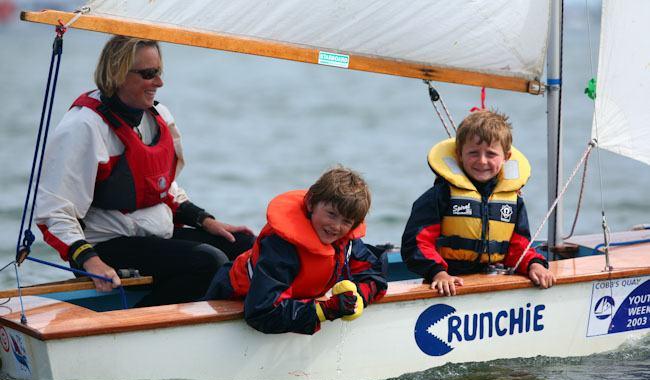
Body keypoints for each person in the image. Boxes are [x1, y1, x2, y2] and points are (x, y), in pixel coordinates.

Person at [35, 36, 254, 307]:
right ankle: (134, 324)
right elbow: (54, 211)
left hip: (152, 236)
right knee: (209, 263)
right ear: (117, 73)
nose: (159, 83)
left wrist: (205, 220)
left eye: (159, 72)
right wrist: (90, 261)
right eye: (149, 74)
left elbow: (163, 187)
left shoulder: (159, 117)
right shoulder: (83, 128)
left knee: (245, 246)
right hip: (108, 245)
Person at [204, 166, 387, 334]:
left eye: (346, 221)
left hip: (291, 303)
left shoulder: (345, 242)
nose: (336, 227)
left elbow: (374, 277)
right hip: (229, 297)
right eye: (331, 214)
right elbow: (261, 312)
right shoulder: (281, 247)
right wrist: (324, 310)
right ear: (311, 204)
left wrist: (357, 299)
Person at [401, 110, 555, 296]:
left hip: (493, 285)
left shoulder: (514, 201)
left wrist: (534, 264)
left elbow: (518, 247)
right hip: (446, 285)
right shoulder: (440, 195)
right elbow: (416, 243)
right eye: (473, 153)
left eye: (491, 154)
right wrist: (438, 273)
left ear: (506, 157)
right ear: (459, 154)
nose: (482, 161)